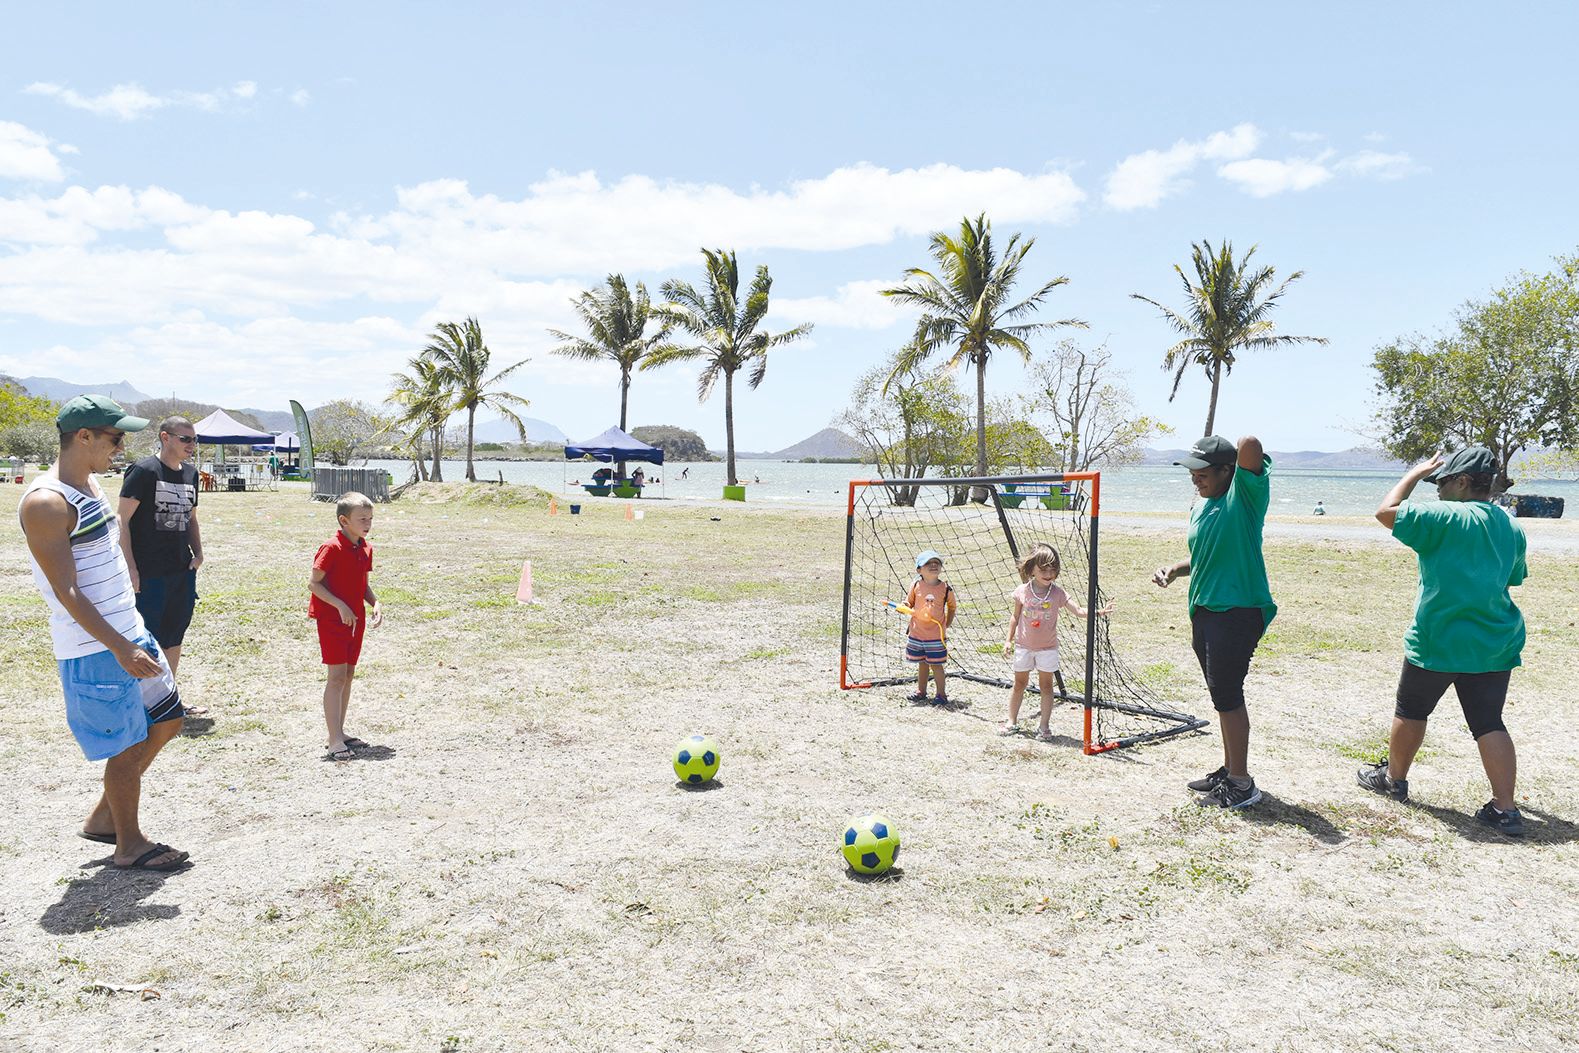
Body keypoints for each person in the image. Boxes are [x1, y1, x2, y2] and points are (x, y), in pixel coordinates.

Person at [19, 395, 191, 871]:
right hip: (97, 647)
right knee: (127, 743)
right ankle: (129, 844)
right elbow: (67, 590)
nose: (121, 447)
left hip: (128, 630)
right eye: (115, 438)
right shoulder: (46, 503)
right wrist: (119, 647)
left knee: (167, 721)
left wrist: (130, 632)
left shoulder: (89, 483)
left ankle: (102, 819)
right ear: (84, 437)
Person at [1358, 448, 1529, 835]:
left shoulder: (1445, 516)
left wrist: (1415, 473)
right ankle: (1506, 809)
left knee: (1411, 710)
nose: (1437, 490)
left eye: (1443, 482)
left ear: (1464, 481)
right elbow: (1512, 578)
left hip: (1438, 638)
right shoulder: (1511, 526)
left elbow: (1386, 511)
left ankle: (1394, 780)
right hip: (1494, 641)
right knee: (1488, 722)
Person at [1152, 434, 1275, 809]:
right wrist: (1175, 569)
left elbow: (1251, 445)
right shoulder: (1203, 506)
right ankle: (1229, 768)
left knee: (1227, 694)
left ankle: (1241, 783)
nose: (1195, 479)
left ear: (1228, 471)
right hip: (1205, 609)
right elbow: (1207, 556)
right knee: (1221, 696)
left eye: (1202, 471)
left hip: (1237, 610)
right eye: (1191, 472)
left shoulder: (1245, 498)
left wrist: (1237, 461)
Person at [117, 416, 207, 715]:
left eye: (194, 440)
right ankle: (141, 704)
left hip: (181, 570)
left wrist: (198, 553)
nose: (191, 445)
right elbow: (122, 520)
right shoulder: (143, 471)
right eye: (186, 439)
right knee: (147, 638)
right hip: (148, 572)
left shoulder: (192, 474)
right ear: (165, 437)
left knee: (174, 636)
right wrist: (130, 567)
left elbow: (191, 517)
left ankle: (167, 699)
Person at [1000, 542, 1111, 740]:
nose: (1049, 573)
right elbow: (1015, 617)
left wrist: (1098, 612)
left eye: (1053, 569)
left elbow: (1078, 611)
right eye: (1043, 569)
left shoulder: (1058, 593)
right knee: (1019, 684)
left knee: (1046, 686)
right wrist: (1008, 640)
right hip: (1023, 646)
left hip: (1047, 649)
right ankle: (1011, 721)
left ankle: (1044, 726)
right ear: (1031, 568)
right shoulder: (1022, 591)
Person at [308, 491, 383, 761]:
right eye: (362, 518)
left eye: (370, 518)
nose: (368, 523)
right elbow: (314, 584)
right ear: (344, 520)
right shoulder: (331, 547)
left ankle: (339, 731)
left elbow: (362, 584)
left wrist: (375, 603)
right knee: (336, 677)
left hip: (356, 620)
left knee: (348, 675)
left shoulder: (365, 547)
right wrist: (339, 605)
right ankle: (334, 739)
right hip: (333, 621)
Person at [905, 550, 957, 704]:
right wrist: (904, 606)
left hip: (935, 637)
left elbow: (952, 607)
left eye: (937, 562)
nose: (934, 565)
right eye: (928, 563)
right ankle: (921, 692)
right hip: (917, 633)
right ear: (919, 569)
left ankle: (941, 695)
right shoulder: (916, 585)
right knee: (922, 663)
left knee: (936, 665)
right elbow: (909, 602)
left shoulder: (945, 588)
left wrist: (946, 624)